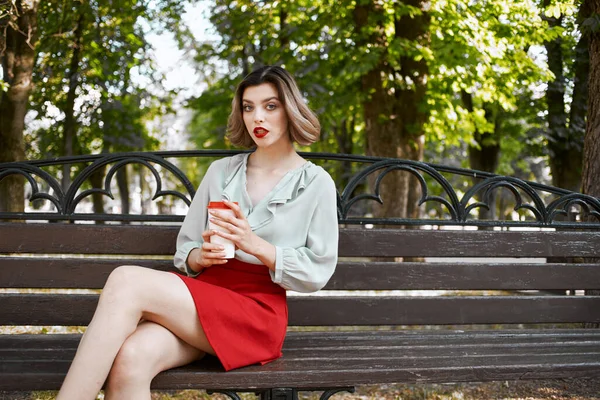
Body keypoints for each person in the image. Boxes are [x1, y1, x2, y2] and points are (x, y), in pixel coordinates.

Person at [56, 65, 339, 399]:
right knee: (130, 359)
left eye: (270, 106)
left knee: (125, 280)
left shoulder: (316, 182)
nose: (257, 117)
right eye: (249, 107)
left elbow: (317, 268)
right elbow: (186, 247)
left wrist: (255, 245)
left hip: (256, 313)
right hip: (200, 302)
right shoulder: (221, 172)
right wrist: (199, 256)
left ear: (290, 109)